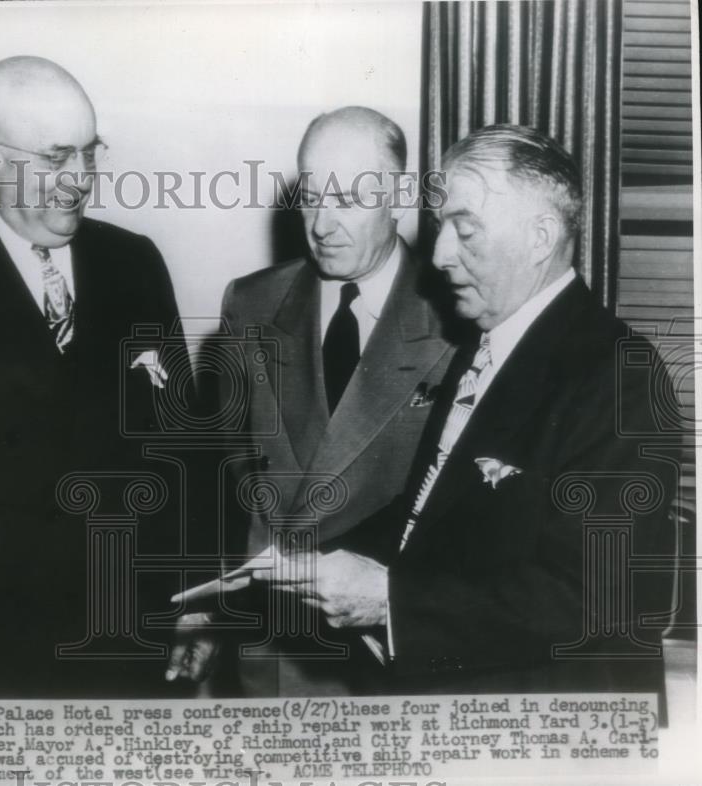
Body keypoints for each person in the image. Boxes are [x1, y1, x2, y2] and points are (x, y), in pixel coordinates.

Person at [263, 124, 678, 698]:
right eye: (440, 229)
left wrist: (387, 601)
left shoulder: (620, 373)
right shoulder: (484, 343)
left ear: (540, 237)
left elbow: (597, 596)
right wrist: (323, 558)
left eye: (466, 230)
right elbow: (434, 515)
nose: (438, 255)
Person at [0, 56, 191, 697]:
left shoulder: (133, 262)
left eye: (89, 152)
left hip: (133, 644)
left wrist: (197, 601)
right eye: (56, 159)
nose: (80, 180)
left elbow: (183, 449)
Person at [167, 107, 454, 696]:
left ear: (398, 195)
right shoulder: (251, 303)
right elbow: (225, 480)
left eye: (347, 198)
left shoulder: (457, 318)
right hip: (272, 654)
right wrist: (207, 607)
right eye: (310, 196)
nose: (322, 223)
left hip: (390, 659)